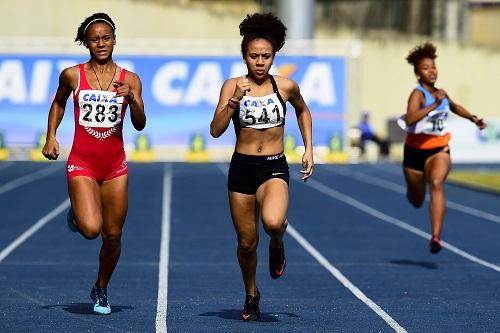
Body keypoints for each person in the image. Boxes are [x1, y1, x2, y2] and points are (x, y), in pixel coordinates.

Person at [210, 13, 313, 321]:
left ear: (273, 58)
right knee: (246, 243)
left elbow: (303, 111)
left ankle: (277, 243)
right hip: (241, 168)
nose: (259, 62)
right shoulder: (232, 86)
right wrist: (233, 102)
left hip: (273, 166)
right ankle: (252, 293)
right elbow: (215, 130)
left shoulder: (286, 86)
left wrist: (309, 148)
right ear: (244, 57)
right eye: (254, 56)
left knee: (272, 222)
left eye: (265, 57)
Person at [42, 13, 146, 314]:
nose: (101, 43)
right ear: (86, 43)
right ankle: (77, 213)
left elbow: (139, 125)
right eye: (95, 39)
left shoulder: (131, 79)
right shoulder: (73, 75)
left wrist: (134, 100)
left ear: (114, 40)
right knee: (90, 229)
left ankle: (100, 287)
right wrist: (51, 136)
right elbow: (59, 102)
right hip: (82, 162)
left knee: (112, 236)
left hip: (115, 167)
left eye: (106, 37)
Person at [399, 42, 485, 254]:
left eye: (433, 67)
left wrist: (473, 118)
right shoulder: (418, 94)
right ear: (418, 74)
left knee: (437, 183)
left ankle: (436, 236)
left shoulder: (442, 94)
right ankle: (411, 191)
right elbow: (410, 119)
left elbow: (456, 107)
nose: (432, 71)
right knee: (417, 200)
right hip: (414, 152)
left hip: (439, 149)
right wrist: (434, 105)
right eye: (426, 68)